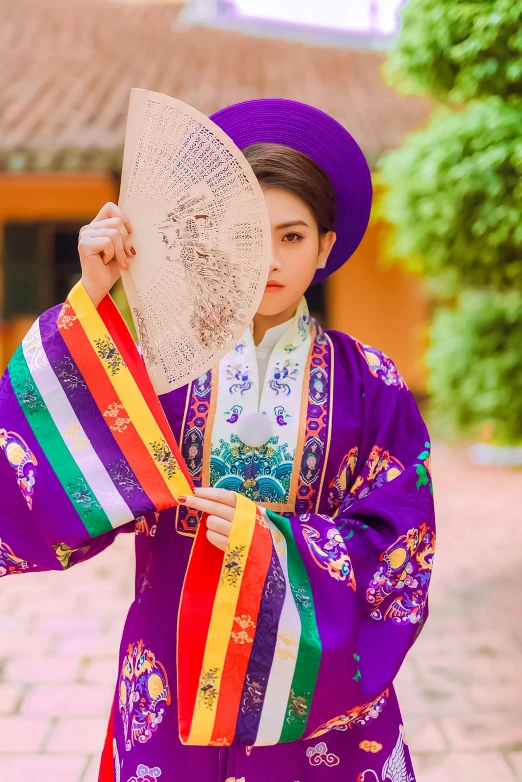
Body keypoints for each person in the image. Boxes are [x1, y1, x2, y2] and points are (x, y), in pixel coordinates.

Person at [0, 99, 435, 782]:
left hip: (313, 681)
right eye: (246, 235)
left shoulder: (371, 383)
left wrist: (277, 545)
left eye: (291, 237)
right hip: (172, 664)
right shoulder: (158, 362)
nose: (268, 259)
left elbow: (399, 548)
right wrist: (98, 290)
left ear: (325, 246)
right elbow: (52, 464)